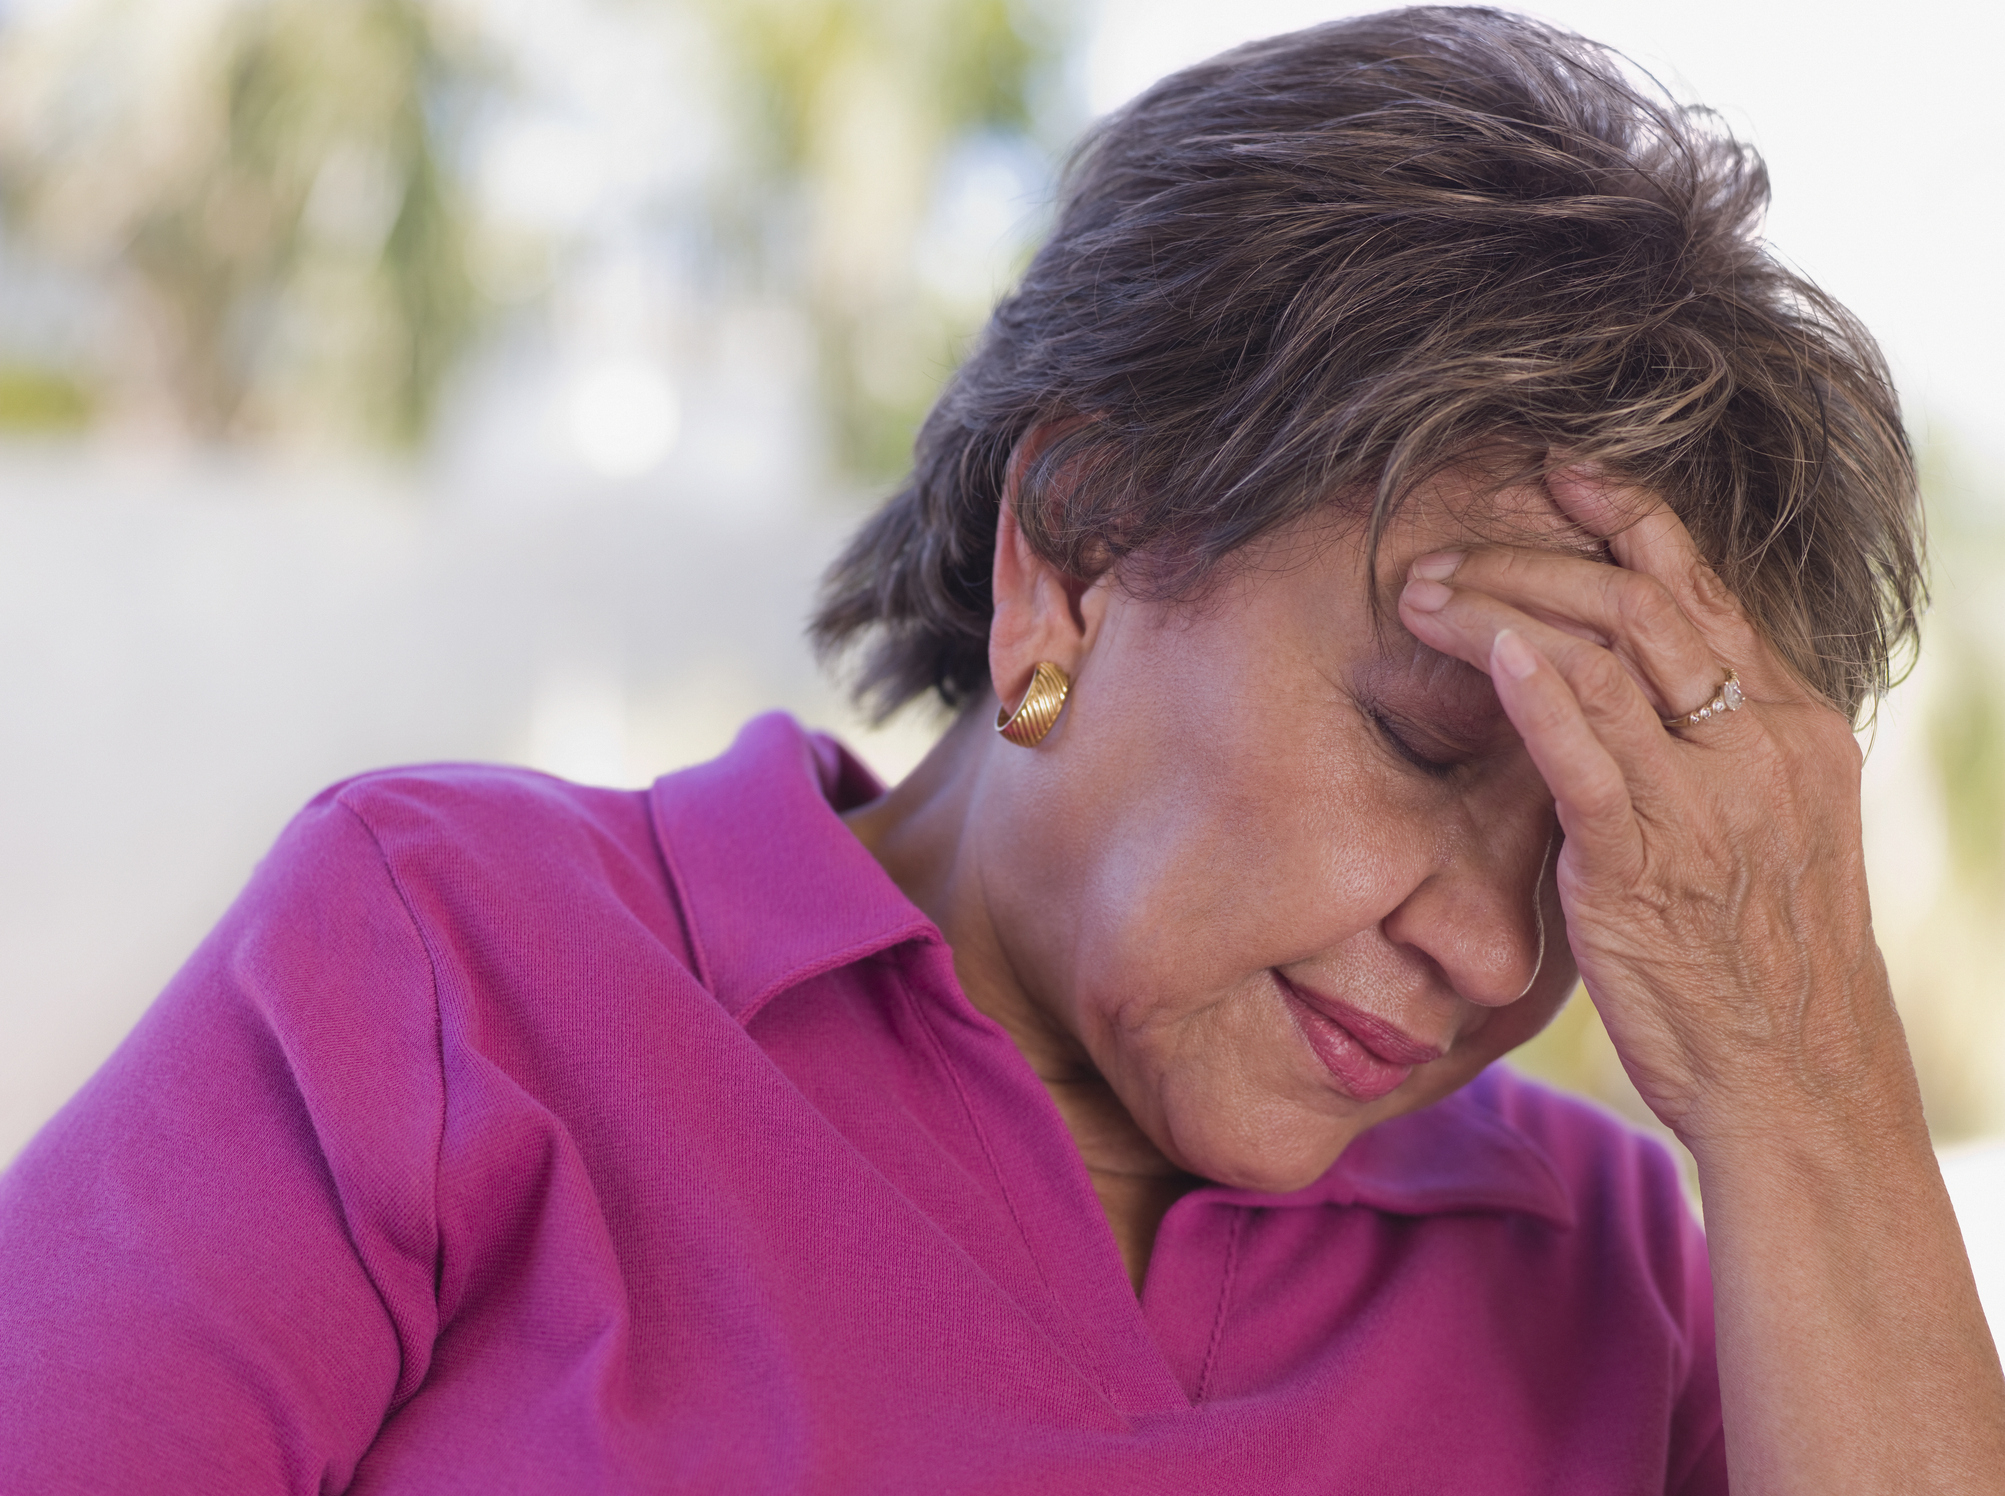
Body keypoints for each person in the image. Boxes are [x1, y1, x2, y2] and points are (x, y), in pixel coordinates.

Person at [3, 7, 2001, 1492]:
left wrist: (1804, 1100)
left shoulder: (1621, 1269)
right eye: (1417, 736)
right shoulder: (452, 964)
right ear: (1076, 543)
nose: (1496, 952)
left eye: (1586, 839)